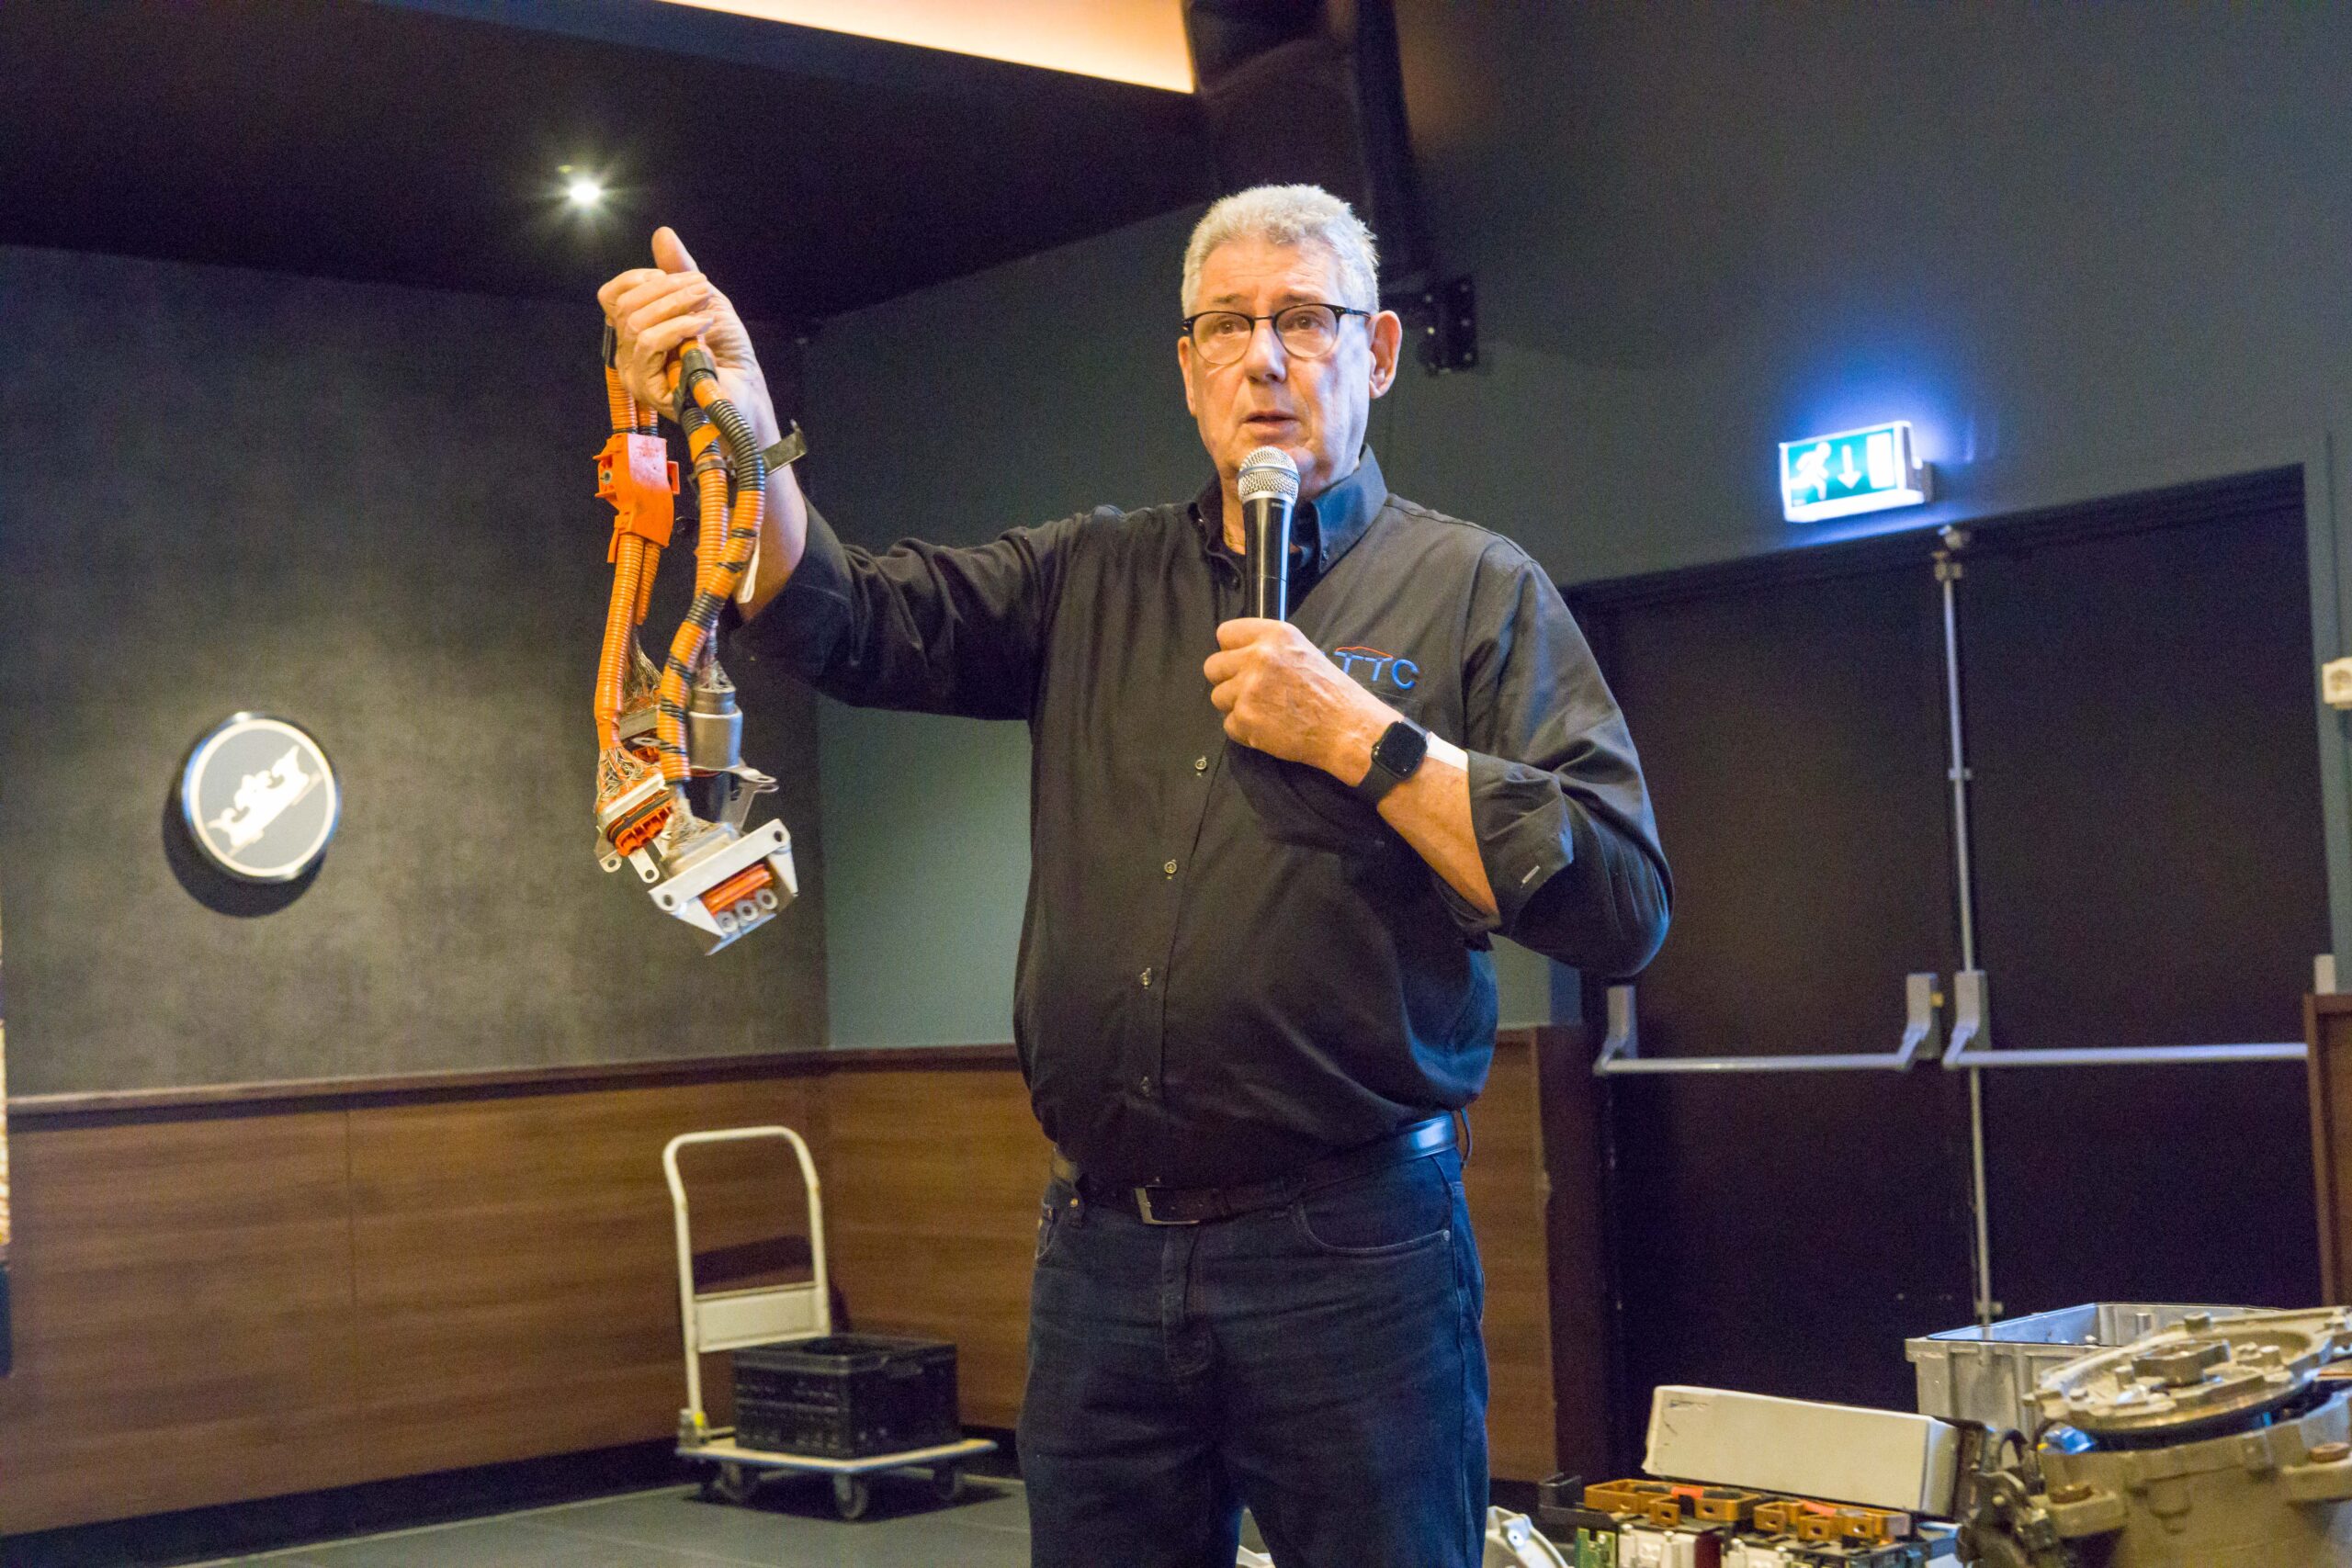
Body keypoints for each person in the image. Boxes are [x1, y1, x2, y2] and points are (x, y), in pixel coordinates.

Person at [600, 184, 1670, 1568]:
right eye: (1229, 325)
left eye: (1304, 319)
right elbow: (843, 616)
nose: (1266, 358)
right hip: (1103, 1258)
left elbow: (1622, 903)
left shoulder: (1477, 590)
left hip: (1351, 1256)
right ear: (1187, 367)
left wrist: (1367, 738)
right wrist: (744, 426)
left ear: (1381, 351)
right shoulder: (1092, 576)